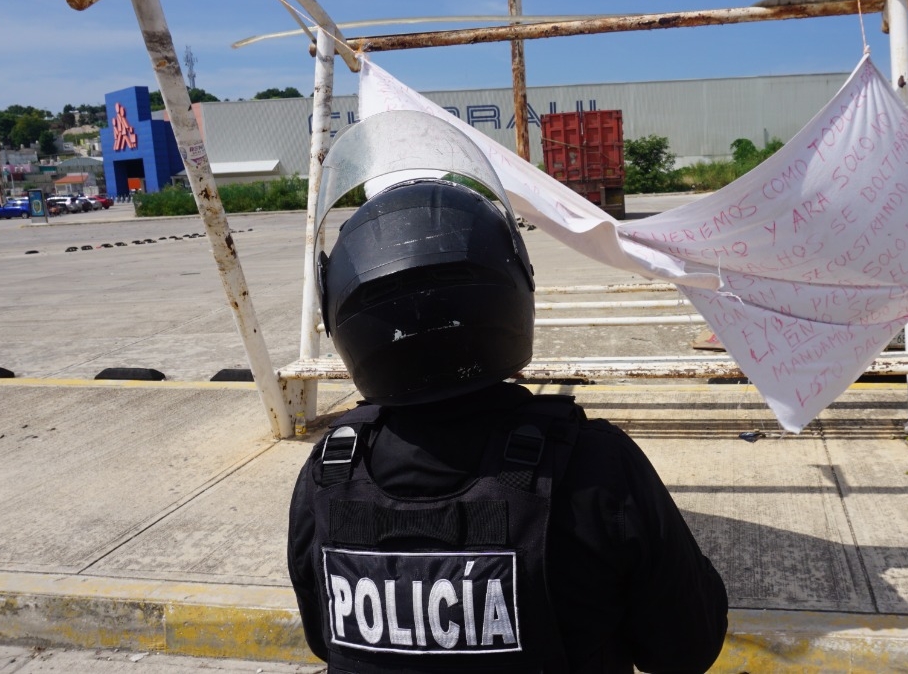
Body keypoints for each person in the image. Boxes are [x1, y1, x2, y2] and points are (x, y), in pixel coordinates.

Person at [287, 168, 728, 673]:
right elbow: (686, 647)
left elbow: (326, 642)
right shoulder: (592, 463)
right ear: (510, 290)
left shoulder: (330, 470)